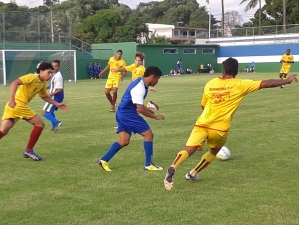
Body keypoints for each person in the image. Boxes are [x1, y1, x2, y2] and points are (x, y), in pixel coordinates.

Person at [163, 57, 297, 191]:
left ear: (223, 70)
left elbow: (203, 106)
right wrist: (287, 80)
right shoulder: (240, 84)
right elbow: (267, 83)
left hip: (202, 123)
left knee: (189, 149)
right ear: (237, 71)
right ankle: (193, 173)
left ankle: (174, 167)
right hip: (219, 129)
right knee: (214, 151)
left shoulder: (210, 83)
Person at [0, 62, 69, 167]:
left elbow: (44, 96)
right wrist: (12, 99)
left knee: (3, 130)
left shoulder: (43, 83)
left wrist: (57, 104)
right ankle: (28, 150)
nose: (50, 75)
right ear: (41, 71)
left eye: (52, 73)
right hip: (18, 104)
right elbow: (15, 83)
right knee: (40, 124)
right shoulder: (32, 77)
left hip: (12, 107)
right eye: (49, 72)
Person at [97, 66, 165, 172]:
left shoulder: (141, 82)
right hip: (127, 114)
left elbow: (137, 105)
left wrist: (148, 110)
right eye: (157, 79)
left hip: (122, 112)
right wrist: (155, 116)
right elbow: (140, 108)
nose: (157, 82)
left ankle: (103, 160)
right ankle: (148, 164)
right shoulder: (140, 87)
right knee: (148, 135)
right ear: (152, 77)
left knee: (124, 141)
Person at [42, 60, 64, 133]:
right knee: (50, 111)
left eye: (56, 66)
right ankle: (54, 127)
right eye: (53, 66)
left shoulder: (58, 76)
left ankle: (57, 122)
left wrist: (50, 94)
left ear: (59, 67)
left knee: (44, 112)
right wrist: (47, 87)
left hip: (56, 96)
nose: (54, 67)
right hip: (55, 96)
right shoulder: (54, 74)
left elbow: (60, 89)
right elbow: (54, 85)